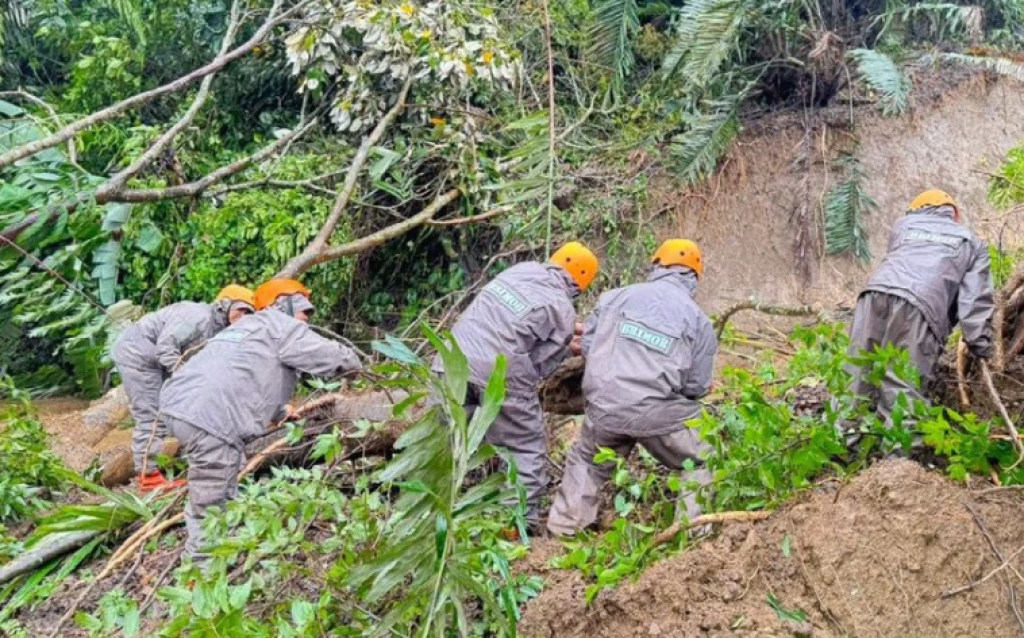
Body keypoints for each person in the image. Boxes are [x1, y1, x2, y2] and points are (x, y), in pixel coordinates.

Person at [158, 279, 362, 564]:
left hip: (179, 405)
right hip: (210, 416)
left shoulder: (246, 328)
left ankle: (224, 548)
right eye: (304, 311)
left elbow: (243, 374)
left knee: (223, 476)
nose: (307, 319)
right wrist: (359, 365)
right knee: (211, 501)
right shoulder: (280, 325)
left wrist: (279, 412)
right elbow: (332, 359)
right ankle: (201, 577)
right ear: (284, 305)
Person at [547, 239, 717, 537]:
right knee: (704, 452)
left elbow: (588, 346)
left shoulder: (613, 297)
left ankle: (563, 532)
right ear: (694, 278)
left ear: (655, 265)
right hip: (656, 414)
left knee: (587, 459)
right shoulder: (699, 321)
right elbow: (696, 387)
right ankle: (691, 538)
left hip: (601, 406)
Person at [438, 242, 599, 528]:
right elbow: (541, 365)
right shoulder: (561, 306)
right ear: (580, 283)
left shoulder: (519, 271)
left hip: (449, 360)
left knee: (445, 442)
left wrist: (560, 333)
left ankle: (438, 516)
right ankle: (514, 526)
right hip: (498, 374)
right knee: (523, 448)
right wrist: (566, 345)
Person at [844, 190, 995, 424]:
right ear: (954, 214)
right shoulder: (971, 242)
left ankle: (839, 447)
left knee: (855, 375)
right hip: (920, 306)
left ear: (917, 210)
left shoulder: (903, 226)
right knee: (902, 385)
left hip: (873, 295)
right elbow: (973, 301)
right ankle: (897, 459)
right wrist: (981, 345)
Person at [112, 285, 256, 493]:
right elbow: (165, 348)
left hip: (158, 360)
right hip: (138, 356)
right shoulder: (198, 317)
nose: (243, 316)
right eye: (240, 309)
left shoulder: (223, 328)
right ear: (225, 304)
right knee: (152, 416)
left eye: (249, 313)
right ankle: (148, 477)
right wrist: (186, 375)